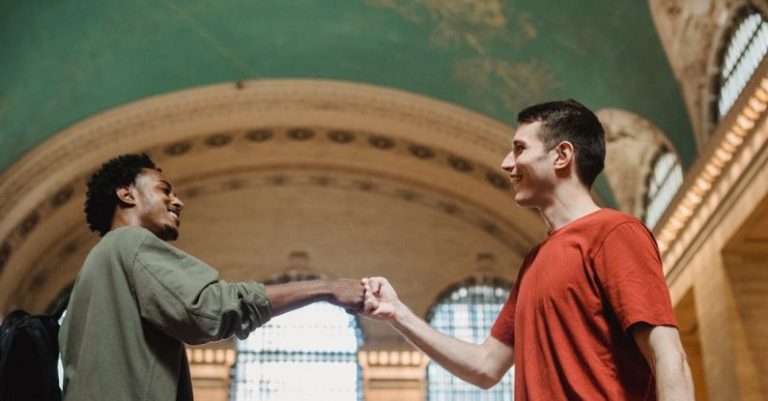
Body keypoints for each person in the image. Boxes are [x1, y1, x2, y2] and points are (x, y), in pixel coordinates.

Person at [362, 99, 695, 401]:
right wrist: (397, 312)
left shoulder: (616, 233)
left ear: (562, 155)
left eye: (519, 149)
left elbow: (668, 356)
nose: (507, 163)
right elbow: (484, 367)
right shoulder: (534, 263)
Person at [59, 153, 365, 401]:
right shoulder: (130, 243)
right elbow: (209, 310)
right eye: (164, 189)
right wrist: (328, 289)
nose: (178, 201)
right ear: (126, 194)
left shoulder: (96, 267)